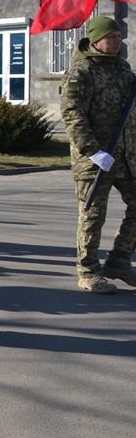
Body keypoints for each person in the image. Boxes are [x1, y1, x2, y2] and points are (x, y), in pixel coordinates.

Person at [60, 16, 136, 294]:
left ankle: (119, 261)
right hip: (95, 159)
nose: (116, 42)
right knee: (93, 214)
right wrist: (92, 151)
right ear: (95, 40)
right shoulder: (82, 72)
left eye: (119, 37)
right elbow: (72, 113)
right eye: (110, 37)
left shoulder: (123, 69)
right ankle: (89, 271)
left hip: (126, 155)